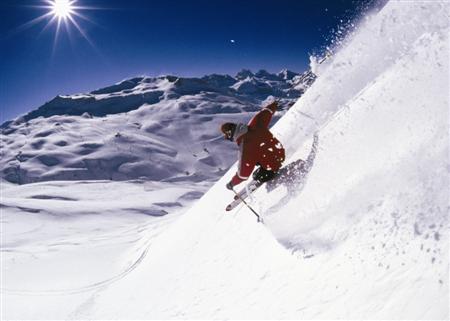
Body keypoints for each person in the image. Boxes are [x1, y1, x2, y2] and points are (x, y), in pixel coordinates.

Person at [221, 101, 285, 190]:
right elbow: (266, 111)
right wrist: (274, 104)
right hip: (280, 153)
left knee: (257, 176)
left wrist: (232, 183)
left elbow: (243, 175)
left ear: (230, 135)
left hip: (272, 165)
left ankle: (263, 177)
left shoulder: (245, 147)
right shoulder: (255, 123)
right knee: (259, 154)